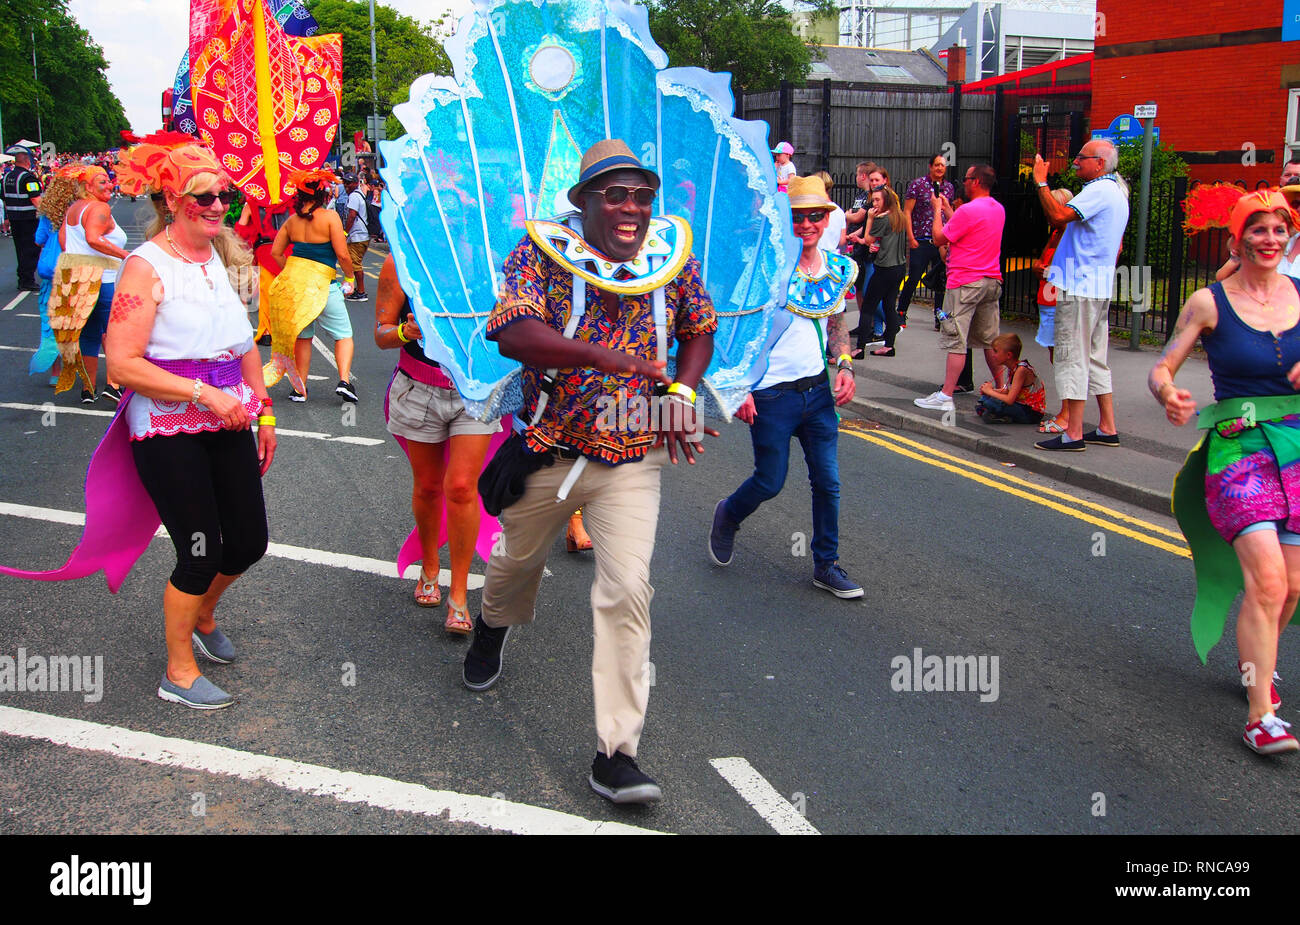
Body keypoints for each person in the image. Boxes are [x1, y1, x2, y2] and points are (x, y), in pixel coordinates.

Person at [463, 140, 717, 804]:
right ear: (584, 202)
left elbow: (698, 327)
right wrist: (601, 357)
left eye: (641, 195)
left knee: (629, 590)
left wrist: (682, 397)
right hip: (552, 447)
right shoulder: (539, 254)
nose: (632, 207)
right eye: (616, 194)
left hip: (633, 455)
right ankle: (491, 624)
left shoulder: (672, 258)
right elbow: (512, 331)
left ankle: (616, 753)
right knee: (515, 566)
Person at [107, 136, 274, 708]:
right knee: (199, 549)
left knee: (250, 540)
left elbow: (243, 343)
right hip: (169, 427)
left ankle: (204, 614)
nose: (219, 205)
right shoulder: (145, 265)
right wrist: (202, 392)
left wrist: (265, 413)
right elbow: (122, 363)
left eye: (224, 194)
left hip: (226, 420)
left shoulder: (216, 257)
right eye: (205, 196)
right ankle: (176, 674)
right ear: (174, 198)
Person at [1152, 190, 1300, 754]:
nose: (1269, 239)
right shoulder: (1209, 303)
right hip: (1239, 453)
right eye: (1257, 230)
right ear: (1236, 240)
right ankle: (1262, 715)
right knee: (1267, 581)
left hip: (1298, 450)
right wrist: (1168, 392)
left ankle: (1254, 663)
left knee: (1291, 588)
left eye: (1279, 230)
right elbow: (1164, 365)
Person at [709, 174, 862, 599]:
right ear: (785, 219)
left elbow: (836, 321)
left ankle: (826, 564)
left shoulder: (833, 267)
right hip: (771, 395)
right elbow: (731, 330)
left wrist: (845, 363)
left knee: (827, 482)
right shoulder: (763, 267)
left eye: (816, 216)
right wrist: (740, 390)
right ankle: (729, 513)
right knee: (770, 480)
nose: (808, 224)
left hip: (817, 393)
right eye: (799, 216)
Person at [375, 254, 501, 632]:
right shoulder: (400, 261)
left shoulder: (490, 258)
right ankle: (430, 565)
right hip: (418, 388)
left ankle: (458, 593)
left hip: (475, 392)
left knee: (462, 487)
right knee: (429, 487)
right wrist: (404, 332)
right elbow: (381, 334)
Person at [1032, 141, 1130, 451]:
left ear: (1099, 163)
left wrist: (1041, 182)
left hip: (1079, 288)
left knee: (1072, 357)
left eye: (1081, 158)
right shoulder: (1117, 191)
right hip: (1098, 287)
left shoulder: (1099, 191)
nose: (1075, 162)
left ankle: (1072, 432)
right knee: (1095, 359)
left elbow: (1058, 216)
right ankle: (1106, 427)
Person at [913, 164, 1005, 413]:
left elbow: (939, 238)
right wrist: (949, 210)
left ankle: (946, 395)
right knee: (989, 341)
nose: (963, 183)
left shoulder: (969, 210)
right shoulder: (997, 209)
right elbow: (968, 227)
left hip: (964, 282)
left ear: (975, 181)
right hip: (991, 280)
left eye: (966, 179)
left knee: (956, 339)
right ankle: (1003, 389)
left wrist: (936, 211)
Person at [263, 168, 359, 403]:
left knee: (303, 338)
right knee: (343, 334)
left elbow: (276, 253)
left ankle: (300, 388)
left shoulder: (291, 221)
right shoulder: (330, 217)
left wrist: (294, 271)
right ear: (323, 193)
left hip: (295, 286)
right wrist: (350, 278)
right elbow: (343, 255)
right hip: (324, 285)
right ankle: (344, 381)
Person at [58, 164, 130, 404]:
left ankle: (88, 389)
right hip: (104, 281)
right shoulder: (99, 207)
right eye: (102, 181)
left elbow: (64, 240)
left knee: (89, 334)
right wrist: (124, 255)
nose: (109, 184)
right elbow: (92, 238)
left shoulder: (73, 209)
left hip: (80, 282)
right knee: (115, 334)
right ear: (87, 186)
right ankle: (113, 384)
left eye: (108, 180)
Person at [29, 172, 77, 384]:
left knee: (49, 322)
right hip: (72, 272)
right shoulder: (79, 211)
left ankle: (55, 372)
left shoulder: (48, 213)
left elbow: (39, 240)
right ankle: (70, 368)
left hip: (50, 274)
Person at [1034, 188, 1075, 435]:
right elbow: (1043, 262)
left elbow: (1068, 269)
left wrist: (1045, 271)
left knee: (1063, 360)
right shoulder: (1056, 232)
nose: (1048, 215)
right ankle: (1067, 410)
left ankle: (1067, 413)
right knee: (1057, 359)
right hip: (1047, 303)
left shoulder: (1068, 233)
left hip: (1058, 303)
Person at [900, 154, 956, 332]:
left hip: (941, 240)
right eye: (937, 165)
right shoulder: (918, 185)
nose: (940, 168)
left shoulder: (948, 187)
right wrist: (911, 237)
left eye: (943, 165)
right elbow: (907, 211)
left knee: (941, 279)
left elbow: (949, 212)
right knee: (914, 277)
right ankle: (901, 312)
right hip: (922, 238)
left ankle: (939, 316)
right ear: (930, 166)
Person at [851, 185, 907, 358]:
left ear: (886, 200)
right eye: (872, 200)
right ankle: (889, 345)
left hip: (885, 268)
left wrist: (869, 219)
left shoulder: (881, 219)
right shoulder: (899, 216)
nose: (873, 203)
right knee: (890, 305)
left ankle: (859, 349)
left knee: (868, 306)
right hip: (899, 267)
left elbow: (868, 239)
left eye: (877, 200)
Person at [976, 333, 1045, 424]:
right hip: (1020, 405)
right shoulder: (1012, 367)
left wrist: (990, 391)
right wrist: (991, 390)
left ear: (1008, 355)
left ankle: (1001, 416)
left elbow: (1009, 399)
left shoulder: (1021, 370)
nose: (993, 355)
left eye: (996, 351)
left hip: (1030, 413)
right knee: (985, 399)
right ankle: (996, 414)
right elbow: (1008, 390)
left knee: (989, 403)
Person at [3, 144, 42, 291]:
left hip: (14, 219)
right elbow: (35, 199)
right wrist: (48, 214)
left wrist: (7, 218)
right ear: (27, 161)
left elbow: (5, 199)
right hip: (29, 219)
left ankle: (22, 278)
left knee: (20, 249)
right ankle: (27, 280)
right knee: (31, 249)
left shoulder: (7, 177)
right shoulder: (28, 178)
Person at [339, 173, 369, 300]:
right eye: (345, 182)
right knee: (354, 263)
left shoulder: (354, 196)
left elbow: (352, 215)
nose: (346, 185)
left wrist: (345, 232)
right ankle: (358, 289)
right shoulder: (356, 195)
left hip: (358, 235)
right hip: (359, 235)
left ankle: (361, 292)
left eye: (349, 182)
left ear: (356, 183)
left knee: (355, 264)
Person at [815, 170, 846, 254]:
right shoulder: (839, 211)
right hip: (833, 256)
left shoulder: (814, 210)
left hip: (817, 255)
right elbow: (842, 241)